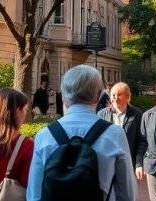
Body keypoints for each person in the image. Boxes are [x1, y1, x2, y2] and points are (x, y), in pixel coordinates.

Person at [26, 65, 136, 201]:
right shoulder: (115, 134)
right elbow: (127, 194)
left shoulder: (44, 135)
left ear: (64, 97)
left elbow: (34, 195)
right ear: (98, 96)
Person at [98, 82, 143, 165]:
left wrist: (139, 163)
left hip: (129, 162)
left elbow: (141, 141)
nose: (115, 98)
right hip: (108, 162)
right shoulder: (102, 114)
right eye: (113, 95)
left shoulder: (137, 115)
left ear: (127, 97)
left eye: (119, 95)